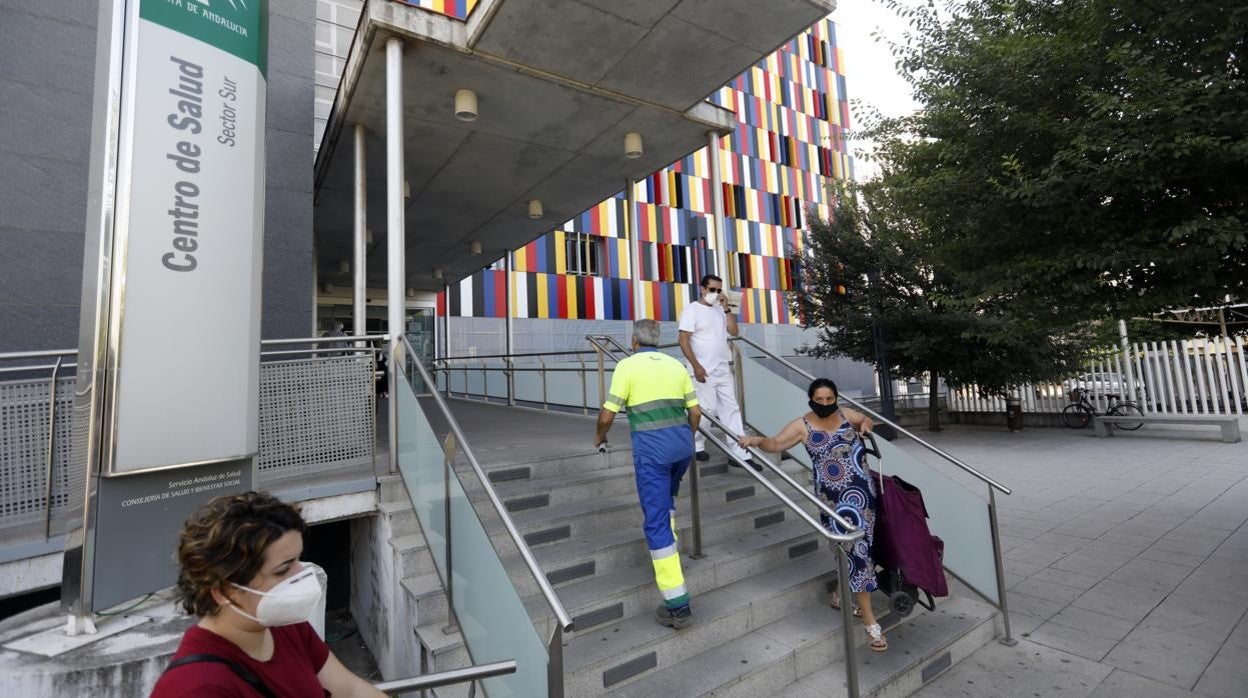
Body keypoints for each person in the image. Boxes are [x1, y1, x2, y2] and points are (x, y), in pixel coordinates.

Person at [151, 491, 385, 697]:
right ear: (224, 591)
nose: (300, 574)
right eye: (283, 569)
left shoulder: (286, 627)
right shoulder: (195, 688)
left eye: (297, 561)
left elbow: (350, 690)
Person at [737, 378, 888, 652]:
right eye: (819, 400)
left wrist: (866, 425)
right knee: (858, 553)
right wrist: (756, 440)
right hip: (835, 503)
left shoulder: (845, 415)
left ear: (835, 398)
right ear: (811, 399)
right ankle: (870, 621)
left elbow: (865, 419)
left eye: (829, 399)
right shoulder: (801, 426)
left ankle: (840, 593)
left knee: (856, 551)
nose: (825, 404)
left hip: (865, 498)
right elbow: (775, 444)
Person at [594, 319, 702, 629]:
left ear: (633, 341)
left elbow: (607, 415)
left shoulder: (627, 367)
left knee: (655, 524)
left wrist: (599, 436)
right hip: (682, 450)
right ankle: (668, 533)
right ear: (657, 339)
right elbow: (695, 412)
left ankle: (677, 604)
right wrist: (685, 438)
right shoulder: (675, 365)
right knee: (666, 504)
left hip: (653, 456)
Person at [677, 274, 756, 470]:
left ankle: (739, 452)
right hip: (702, 369)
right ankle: (695, 445)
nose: (716, 293)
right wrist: (695, 365)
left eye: (719, 290)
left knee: (731, 408)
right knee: (706, 409)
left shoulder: (720, 310)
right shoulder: (691, 310)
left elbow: (734, 331)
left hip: (722, 367)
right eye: (712, 289)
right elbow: (683, 339)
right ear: (702, 289)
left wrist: (727, 308)